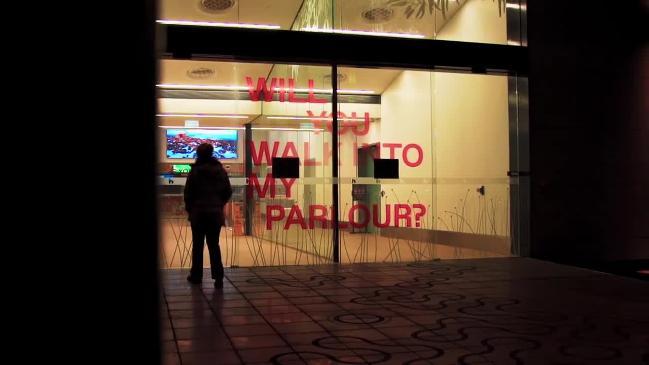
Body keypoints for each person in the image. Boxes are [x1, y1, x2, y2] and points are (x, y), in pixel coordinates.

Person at [184, 143, 232, 288]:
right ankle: (218, 277)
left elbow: (188, 194)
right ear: (211, 153)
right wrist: (219, 204)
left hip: (198, 214)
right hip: (214, 214)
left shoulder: (195, 171)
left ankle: (196, 276)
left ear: (198, 154)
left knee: (197, 246)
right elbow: (228, 191)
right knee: (214, 245)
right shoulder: (220, 171)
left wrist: (191, 209)